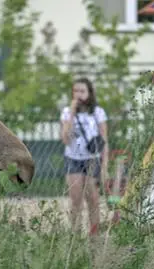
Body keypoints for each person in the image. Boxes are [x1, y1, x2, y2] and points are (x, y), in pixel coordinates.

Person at [60, 77, 108, 236]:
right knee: (76, 201)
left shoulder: (98, 112)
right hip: (73, 159)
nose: (78, 94)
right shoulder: (67, 112)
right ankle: (75, 236)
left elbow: (104, 140)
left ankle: (94, 235)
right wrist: (72, 114)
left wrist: (105, 165)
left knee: (93, 200)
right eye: (75, 91)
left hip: (92, 159)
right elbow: (65, 139)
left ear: (89, 93)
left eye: (82, 91)